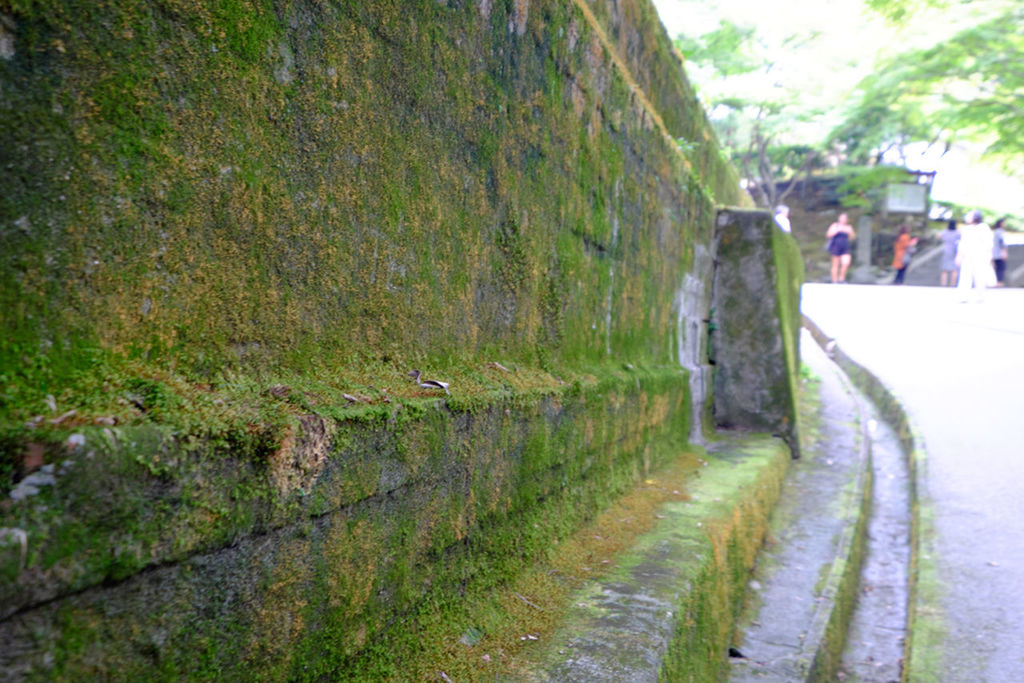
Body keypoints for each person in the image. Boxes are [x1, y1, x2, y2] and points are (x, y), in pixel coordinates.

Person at [956, 209, 995, 302]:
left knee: (980, 276)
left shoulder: (983, 227)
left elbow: (989, 243)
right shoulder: (966, 229)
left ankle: (980, 296)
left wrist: (989, 255)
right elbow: (962, 244)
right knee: (965, 276)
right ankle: (963, 296)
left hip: (980, 256)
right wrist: (959, 255)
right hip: (968, 255)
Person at [826, 213, 856, 283]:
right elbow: (829, 234)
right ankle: (834, 281)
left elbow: (852, 238)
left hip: (845, 247)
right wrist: (838, 230)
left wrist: (849, 232)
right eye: (842, 218)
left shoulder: (848, 227)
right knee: (835, 264)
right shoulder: (835, 225)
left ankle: (841, 278)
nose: (843, 220)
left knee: (846, 263)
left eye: (845, 218)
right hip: (835, 246)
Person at [939, 219, 960, 286]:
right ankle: (952, 285)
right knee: (955, 269)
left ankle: (943, 284)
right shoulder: (958, 233)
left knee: (944, 269)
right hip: (955, 250)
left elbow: (938, 236)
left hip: (946, 250)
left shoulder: (945, 232)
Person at [992, 218, 1009, 287]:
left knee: (997, 268)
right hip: (999, 253)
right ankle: (999, 282)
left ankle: (998, 282)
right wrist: (1004, 252)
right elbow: (1003, 242)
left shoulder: (995, 231)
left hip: (995, 253)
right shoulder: (1000, 232)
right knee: (1001, 268)